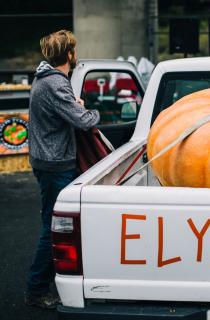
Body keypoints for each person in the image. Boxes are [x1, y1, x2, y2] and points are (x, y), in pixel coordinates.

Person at [25, 30, 100, 309]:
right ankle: (35, 290)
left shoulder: (45, 79)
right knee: (53, 228)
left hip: (48, 160)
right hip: (56, 163)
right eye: (73, 50)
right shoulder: (56, 83)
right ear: (68, 54)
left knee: (53, 224)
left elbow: (64, 113)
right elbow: (83, 121)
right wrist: (92, 111)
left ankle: (43, 285)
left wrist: (74, 105)